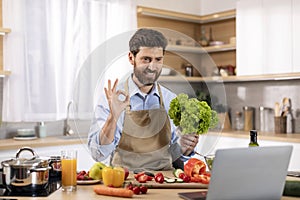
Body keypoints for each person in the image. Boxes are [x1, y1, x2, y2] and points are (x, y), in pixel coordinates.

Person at [88, 28, 199, 171]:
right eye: (146, 59)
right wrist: (113, 117)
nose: (152, 67)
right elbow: (98, 154)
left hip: (164, 181)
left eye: (158, 59)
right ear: (131, 58)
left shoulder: (171, 100)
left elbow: (173, 155)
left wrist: (184, 148)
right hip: (126, 182)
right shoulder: (113, 98)